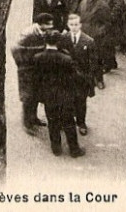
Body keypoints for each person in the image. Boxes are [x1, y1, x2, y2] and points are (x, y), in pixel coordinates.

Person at [34, 30, 84, 158]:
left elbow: (36, 80)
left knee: (52, 121)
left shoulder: (38, 58)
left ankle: (56, 148)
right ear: (58, 42)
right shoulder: (66, 59)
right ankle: (74, 150)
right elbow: (76, 77)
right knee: (69, 122)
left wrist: (41, 96)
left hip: (48, 96)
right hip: (64, 96)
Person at [11, 14, 54, 134]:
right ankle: (27, 123)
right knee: (28, 96)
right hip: (26, 70)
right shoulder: (28, 33)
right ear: (41, 24)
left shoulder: (45, 32)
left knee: (36, 95)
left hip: (37, 69)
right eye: (49, 24)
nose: (51, 26)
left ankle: (34, 118)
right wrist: (22, 65)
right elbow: (14, 48)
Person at [59, 14, 99, 135]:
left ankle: (81, 123)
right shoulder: (63, 38)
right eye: (71, 25)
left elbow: (93, 62)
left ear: (80, 25)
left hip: (82, 78)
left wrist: (89, 78)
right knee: (66, 100)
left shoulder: (88, 41)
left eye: (76, 24)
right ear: (68, 25)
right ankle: (65, 121)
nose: (74, 27)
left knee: (81, 101)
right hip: (67, 77)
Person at [78, 0, 113, 81]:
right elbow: (78, 17)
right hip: (83, 33)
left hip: (96, 36)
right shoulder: (83, 3)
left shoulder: (103, 5)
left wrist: (98, 33)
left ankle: (99, 80)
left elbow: (107, 23)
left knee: (96, 58)